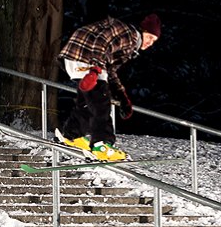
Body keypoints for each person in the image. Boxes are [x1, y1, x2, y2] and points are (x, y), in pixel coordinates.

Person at [54, 13, 161, 161]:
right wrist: (95, 69)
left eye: (154, 41)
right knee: (101, 104)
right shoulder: (130, 35)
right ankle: (102, 145)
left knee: (87, 103)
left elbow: (110, 71)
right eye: (150, 37)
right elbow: (101, 40)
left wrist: (122, 96)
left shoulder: (129, 47)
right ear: (142, 31)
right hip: (85, 55)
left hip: (77, 58)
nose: (150, 43)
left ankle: (72, 136)